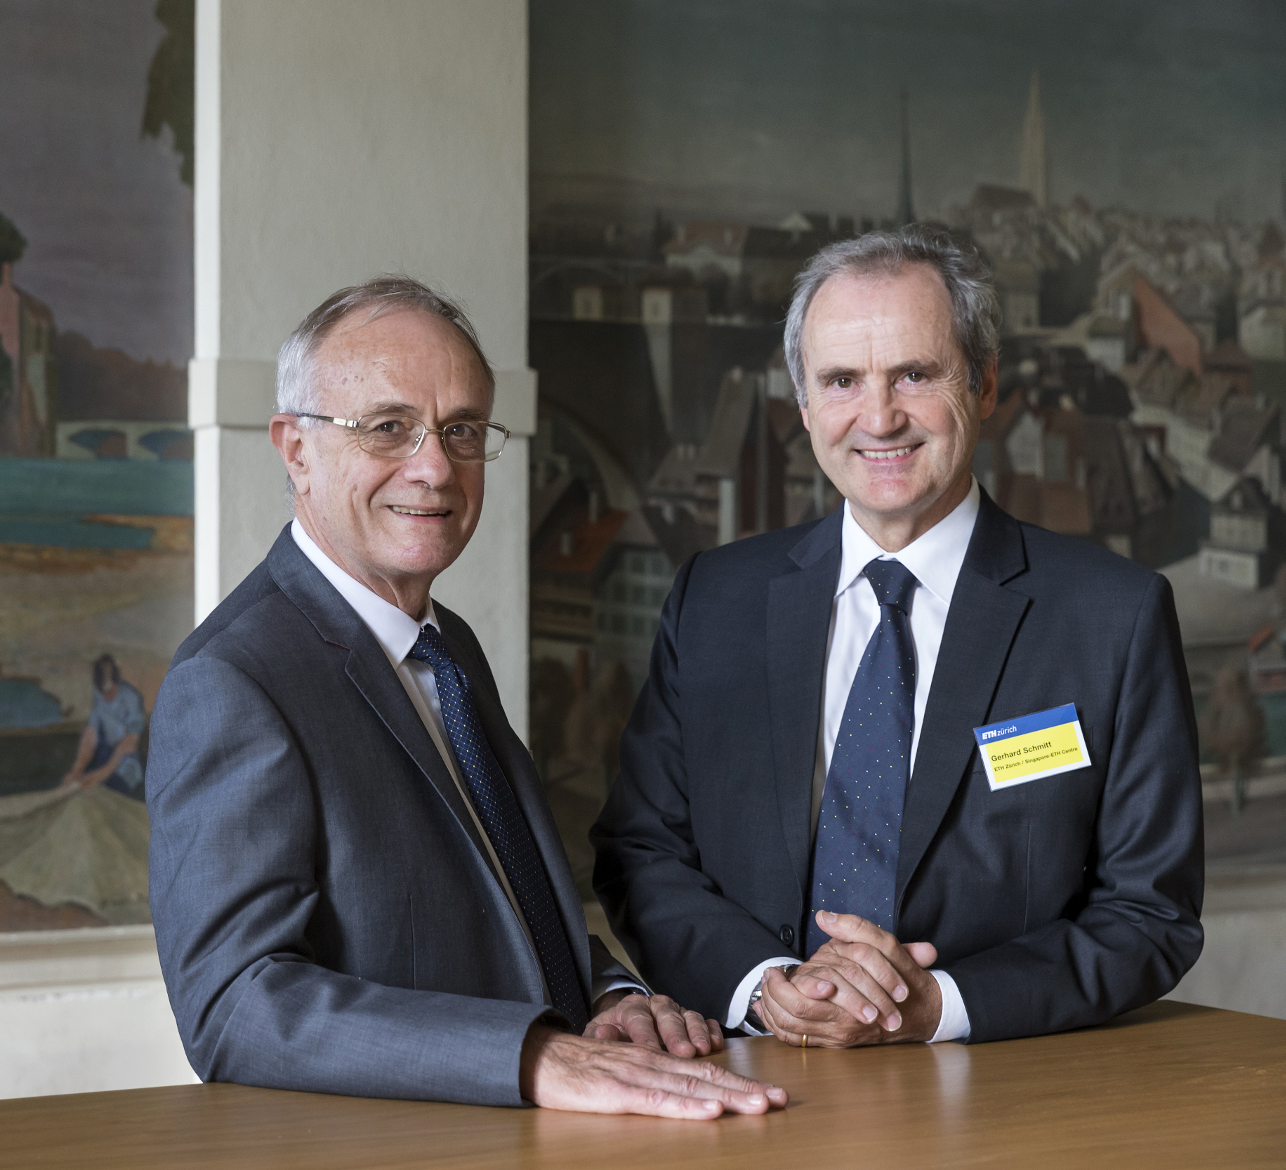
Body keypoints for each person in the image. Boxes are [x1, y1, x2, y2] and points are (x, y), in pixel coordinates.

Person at [146, 276, 786, 1117]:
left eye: (462, 430)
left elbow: (504, 904)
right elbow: (235, 1008)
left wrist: (609, 999)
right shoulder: (232, 682)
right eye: (388, 428)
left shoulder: (446, 648)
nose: (435, 467)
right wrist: (534, 1059)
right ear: (294, 448)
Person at [592, 227, 1204, 1049]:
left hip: (1005, 1097)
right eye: (842, 380)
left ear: (984, 384)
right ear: (804, 403)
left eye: (915, 374)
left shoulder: (1113, 618)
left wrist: (936, 1006)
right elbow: (641, 850)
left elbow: (1150, 912)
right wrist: (763, 987)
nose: (878, 417)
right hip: (747, 1084)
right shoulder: (715, 599)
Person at [61, 655, 147, 798]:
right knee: (78, 787)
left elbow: (130, 743)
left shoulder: (131, 698)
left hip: (124, 763)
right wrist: (76, 771)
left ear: (116, 683)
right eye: (104, 694)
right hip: (103, 755)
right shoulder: (98, 695)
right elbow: (90, 734)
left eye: (110, 693)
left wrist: (102, 773)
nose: (106, 697)